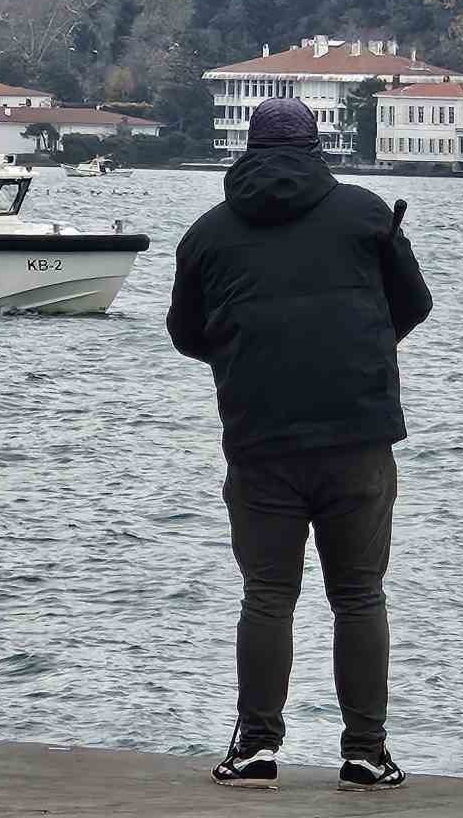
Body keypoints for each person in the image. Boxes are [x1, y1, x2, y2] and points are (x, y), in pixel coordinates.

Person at [166, 97, 432, 792]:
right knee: (360, 594)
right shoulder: (369, 214)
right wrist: (365, 348)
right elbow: (415, 304)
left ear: (246, 151)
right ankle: (367, 753)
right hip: (358, 436)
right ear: (319, 148)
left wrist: (247, 358)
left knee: (268, 594)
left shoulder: (206, 235)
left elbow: (187, 335)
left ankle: (256, 746)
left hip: (259, 439)